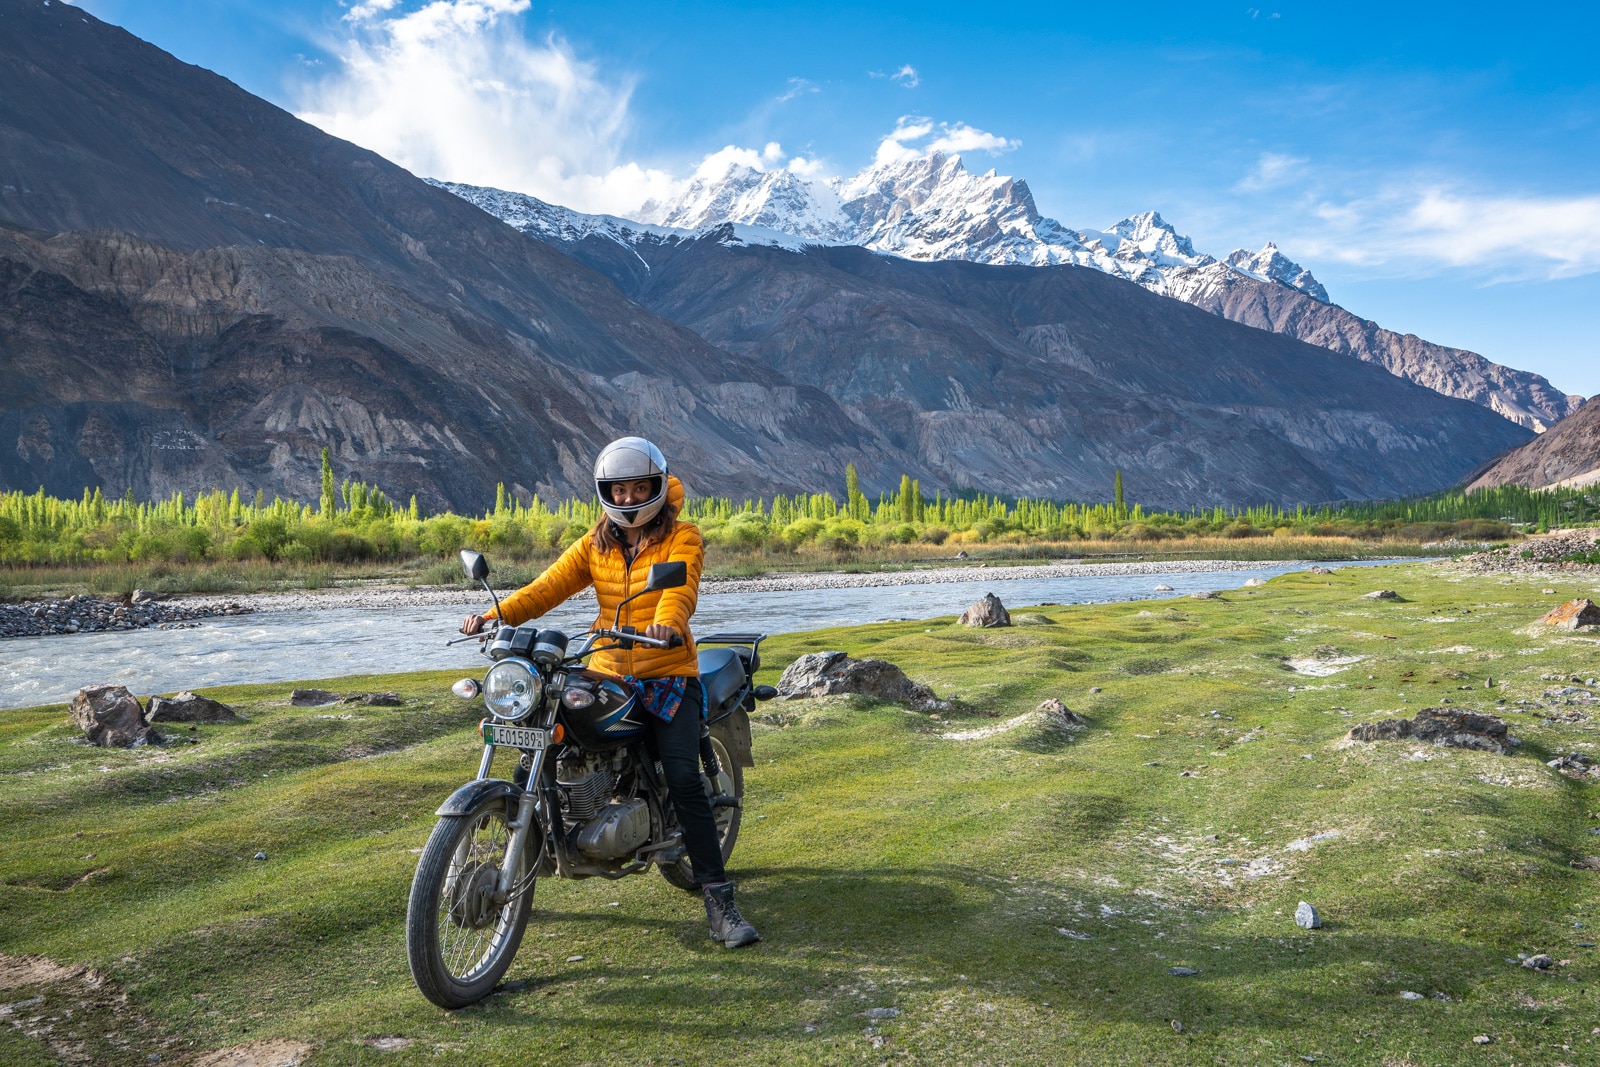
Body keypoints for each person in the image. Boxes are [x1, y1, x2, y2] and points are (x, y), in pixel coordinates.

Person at [459, 437, 760, 949]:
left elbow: (678, 591)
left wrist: (667, 624)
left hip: (667, 672)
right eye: (617, 490)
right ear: (605, 492)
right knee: (543, 742)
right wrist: (495, 615)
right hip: (609, 669)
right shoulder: (595, 543)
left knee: (685, 777)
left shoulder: (682, 537)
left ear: (658, 488)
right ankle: (526, 864)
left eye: (637, 488)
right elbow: (548, 585)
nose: (627, 499)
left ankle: (719, 900)